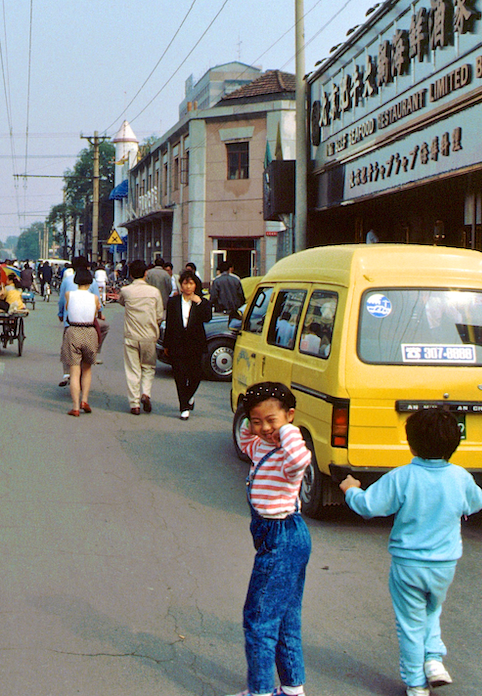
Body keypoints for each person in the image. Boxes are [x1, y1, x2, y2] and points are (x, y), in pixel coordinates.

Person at [340, 409, 482, 696]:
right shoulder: (460, 477)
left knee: (410, 623)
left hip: (408, 564)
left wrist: (351, 490)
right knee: (432, 609)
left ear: (411, 442)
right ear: (455, 443)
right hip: (444, 564)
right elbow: (477, 503)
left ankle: (416, 683)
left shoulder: (403, 476)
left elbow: (369, 506)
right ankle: (433, 661)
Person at [228, 382, 312, 696]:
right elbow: (245, 436)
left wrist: (289, 430)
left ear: (289, 416)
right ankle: (292, 688)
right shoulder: (260, 445)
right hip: (277, 536)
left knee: (259, 619)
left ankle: (260, 691)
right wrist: (253, 417)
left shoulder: (289, 453)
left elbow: (300, 461)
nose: (265, 428)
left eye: (272, 420)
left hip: (283, 535)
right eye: (257, 420)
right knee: (286, 615)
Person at [163, 269, 212, 419]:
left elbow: (207, 318)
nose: (188, 286)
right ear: (181, 284)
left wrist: (199, 303)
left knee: (196, 374)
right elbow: (169, 324)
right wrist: (166, 344)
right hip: (177, 343)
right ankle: (184, 406)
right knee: (179, 375)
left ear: (195, 285)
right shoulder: (173, 302)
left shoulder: (202, 302)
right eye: (185, 283)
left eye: (191, 283)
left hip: (195, 343)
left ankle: (189, 396)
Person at [117, 259, 164, 415]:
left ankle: (134, 404)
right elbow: (159, 316)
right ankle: (146, 393)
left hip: (131, 336)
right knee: (149, 368)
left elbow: (121, 302)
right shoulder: (154, 292)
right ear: (146, 273)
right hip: (149, 336)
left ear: (130, 274)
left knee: (133, 370)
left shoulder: (126, 291)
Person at [61, 268, 100, 416]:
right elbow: (95, 313)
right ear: (90, 281)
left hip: (73, 331)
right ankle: (85, 400)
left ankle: (76, 407)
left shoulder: (69, 295)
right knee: (87, 369)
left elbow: (67, 309)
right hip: (89, 332)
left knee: (74, 371)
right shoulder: (95, 298)